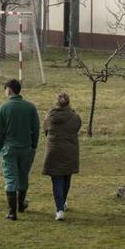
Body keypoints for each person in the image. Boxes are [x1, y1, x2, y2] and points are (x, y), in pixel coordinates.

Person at [0, 79, 39, 221]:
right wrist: (33, 146)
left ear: (9, 90)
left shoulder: (3, 108)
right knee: (23, 176)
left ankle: (12, 212)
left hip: (9, 149)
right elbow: (35, 129)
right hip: (26, 148)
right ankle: (21, 204)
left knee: (10, 178)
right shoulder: (31, 107)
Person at [43, 91, 81, 221]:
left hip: (54, 151)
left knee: (57, 180)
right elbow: (77, 128)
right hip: (70, 151)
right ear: (69, 102)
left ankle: (59, 209)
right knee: (66, 177)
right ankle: (62, 203)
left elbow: (46, 131)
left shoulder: (49, 116)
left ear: (56, 103)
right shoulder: (75, 117)